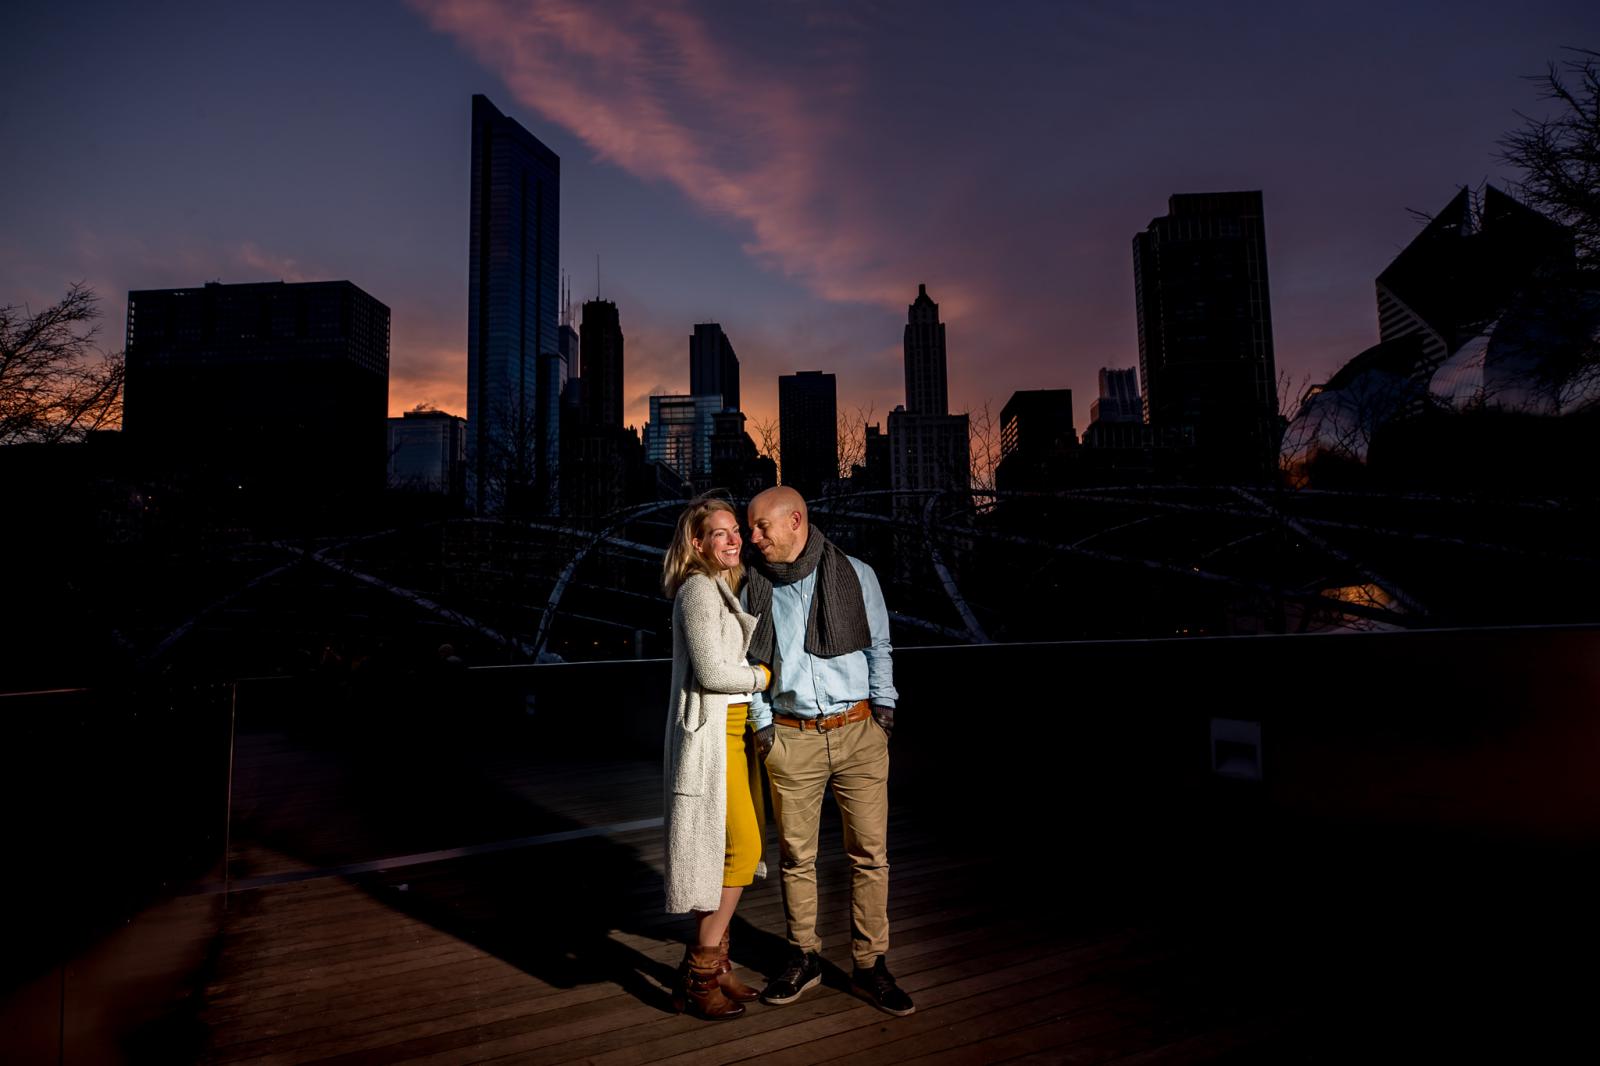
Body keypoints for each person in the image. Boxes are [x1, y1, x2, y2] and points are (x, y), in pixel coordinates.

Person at [743, 485, 915, 1017]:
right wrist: (764, 728)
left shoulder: (855, 574)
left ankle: (871, 964)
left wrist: (883, 714)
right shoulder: (751, 586)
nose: (753, 538)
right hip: (791, 738)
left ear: (795, 520)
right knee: (797, 858)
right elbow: (745, 662)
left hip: (859, 731)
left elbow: (879, 647)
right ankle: (804, 957)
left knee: (870, 856)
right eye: (749, 528)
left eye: (760, 527)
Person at [662, 498, 774, 1020]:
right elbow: (712, 673)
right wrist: (762, 678)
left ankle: (721, 962)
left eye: (736, 532)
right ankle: (700, 970)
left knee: (723, 855)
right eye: (721, 534)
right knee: (745, 847)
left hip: (732, 738)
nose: (734, 540)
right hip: (712, 741)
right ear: (698, 543)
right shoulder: (698, 590)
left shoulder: (721, 590)